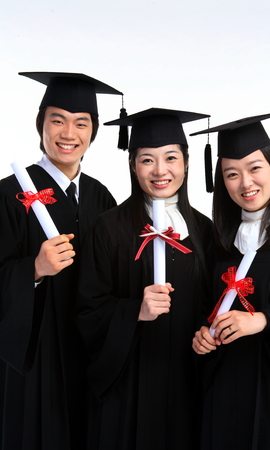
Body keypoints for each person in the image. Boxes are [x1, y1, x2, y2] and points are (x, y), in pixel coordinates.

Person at [74, 107, 213, 449]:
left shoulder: (206, 232)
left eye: (171, 158)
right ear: (133, 165)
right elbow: (84, 312)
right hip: (126, 389)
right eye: (147, 160)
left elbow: (212, 305)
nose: (160, 171)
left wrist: (207, 332)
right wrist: (134, 310)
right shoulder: (107, 229)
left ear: (186, 163)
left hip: (185, 385)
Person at [0, 72, 122, 450]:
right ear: (41, 125)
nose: (68, 133)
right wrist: (33, 270)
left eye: (81, 123)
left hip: (88, 354)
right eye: (58, 120)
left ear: (93, 132)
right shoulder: (11, 193)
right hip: (34, 358)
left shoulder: (103, 198)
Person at [191, 110, 270, 449]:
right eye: (231, 174)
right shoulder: (218, 242)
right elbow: (202, 307)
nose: (245, 183)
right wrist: (201, 337)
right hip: (223, 392)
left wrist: (264, 320)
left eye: (255, 168)